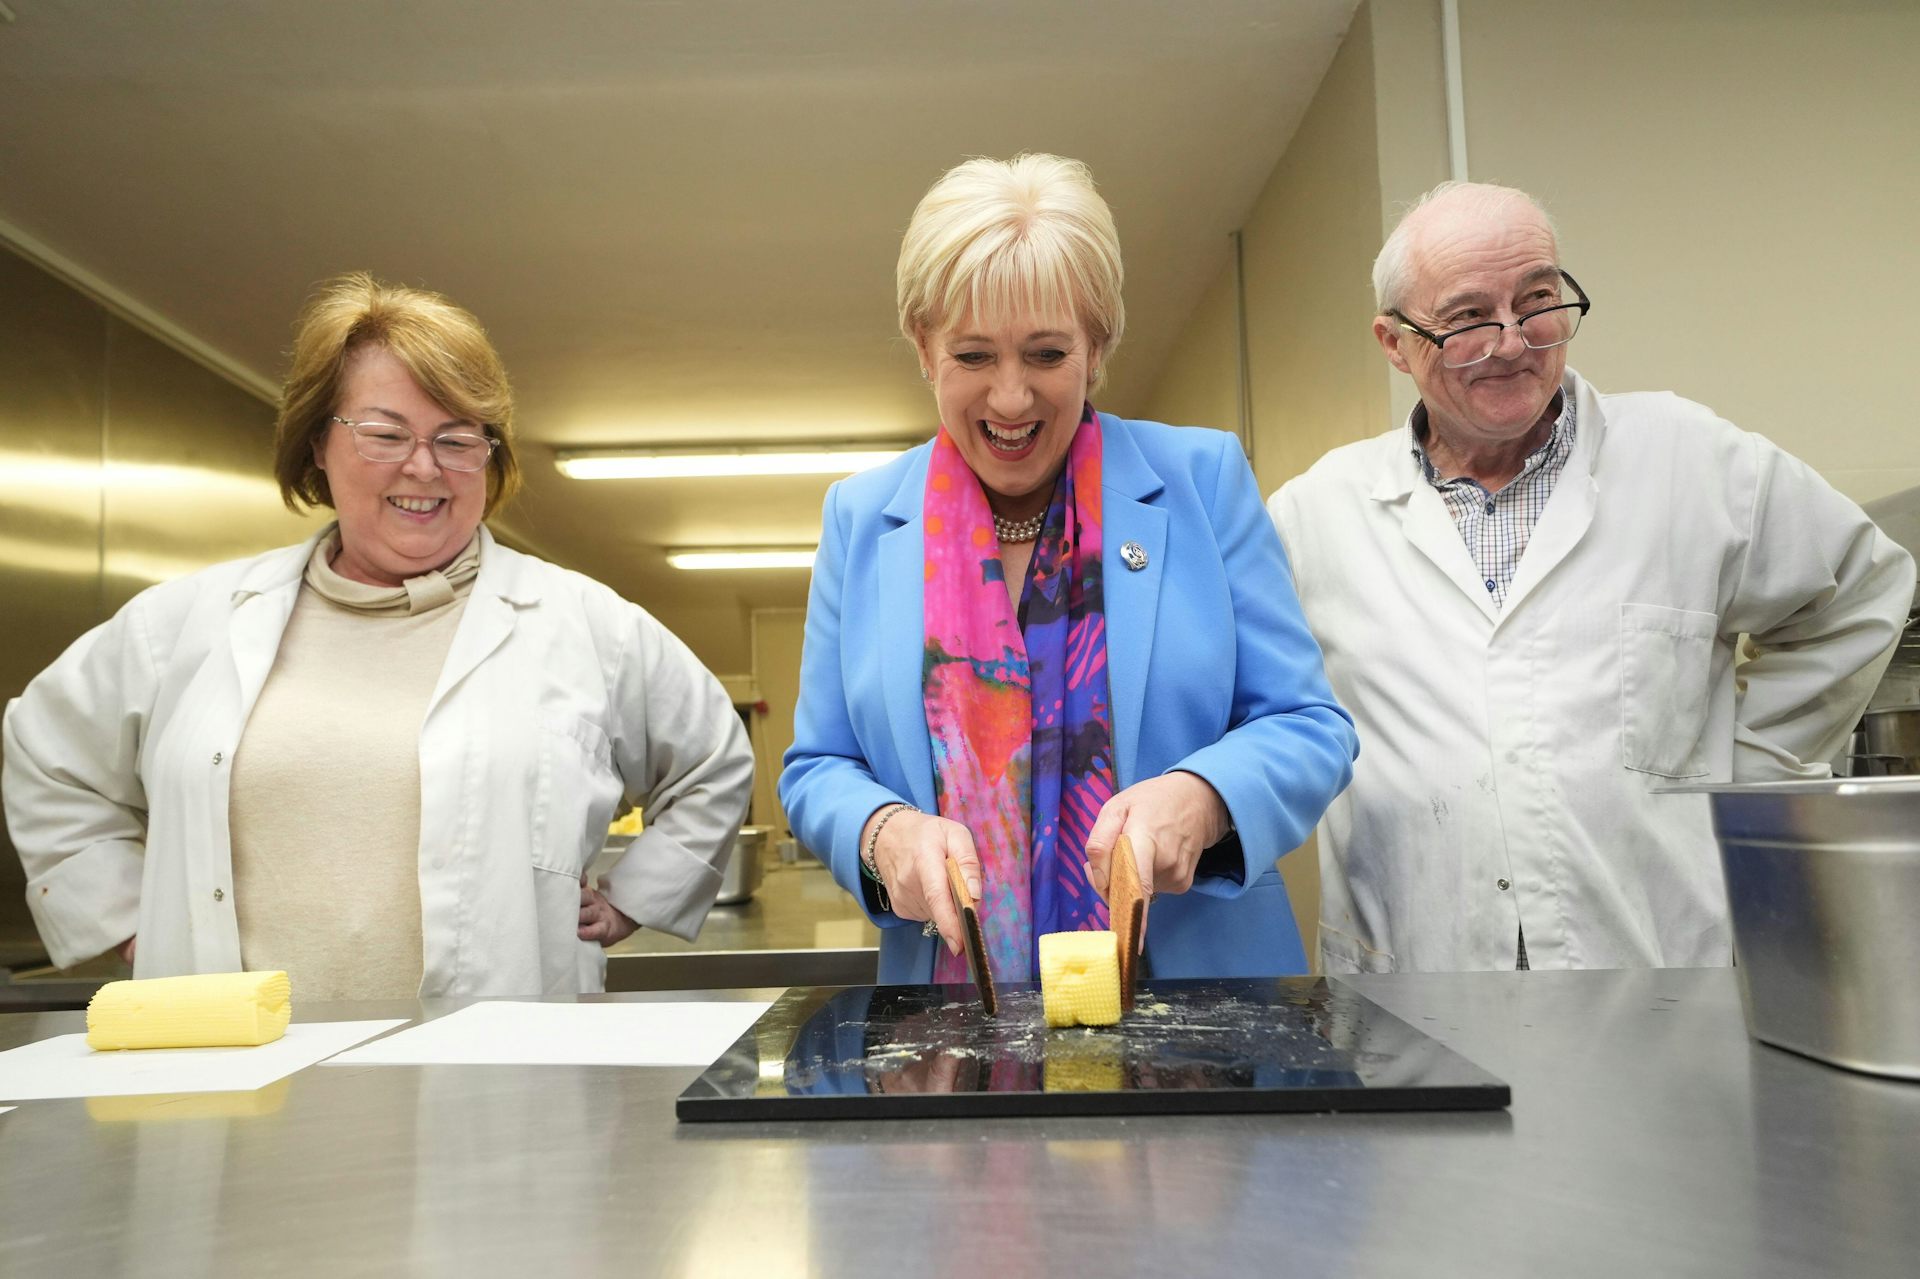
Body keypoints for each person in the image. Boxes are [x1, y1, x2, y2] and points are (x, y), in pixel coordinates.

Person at [3, 272, 754, 998]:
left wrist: (636, 896)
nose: (423, 467)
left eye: (458, 439)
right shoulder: (188, 621)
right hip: (231, 1063)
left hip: (495, 1070)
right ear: (317, 446)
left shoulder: (587, 624)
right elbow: (46, 749)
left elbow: (714, 759)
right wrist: (125, 913)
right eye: (385, 433)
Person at [1267, 181, 1916, 974]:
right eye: (1469, 315)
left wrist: (1752, 770)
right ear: (1394, 343)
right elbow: (1256, 708)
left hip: (1655, 962)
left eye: (1536, 299)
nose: (1511, 341)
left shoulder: (1692, 458)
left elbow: (1860, 588)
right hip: (1415, 975)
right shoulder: (1315, 513)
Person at [780, 154, 1357, 986]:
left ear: (1098, 345)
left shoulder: (1202, 482)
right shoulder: (862, 521)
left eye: (1046, 354)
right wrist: (882, 832)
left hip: (1200, 1024)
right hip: (953, 1033)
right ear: (923, 348)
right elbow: (818, 767)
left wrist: (1203, 794)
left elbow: (1311, 725)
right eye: (973, 356)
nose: (1011, 399)